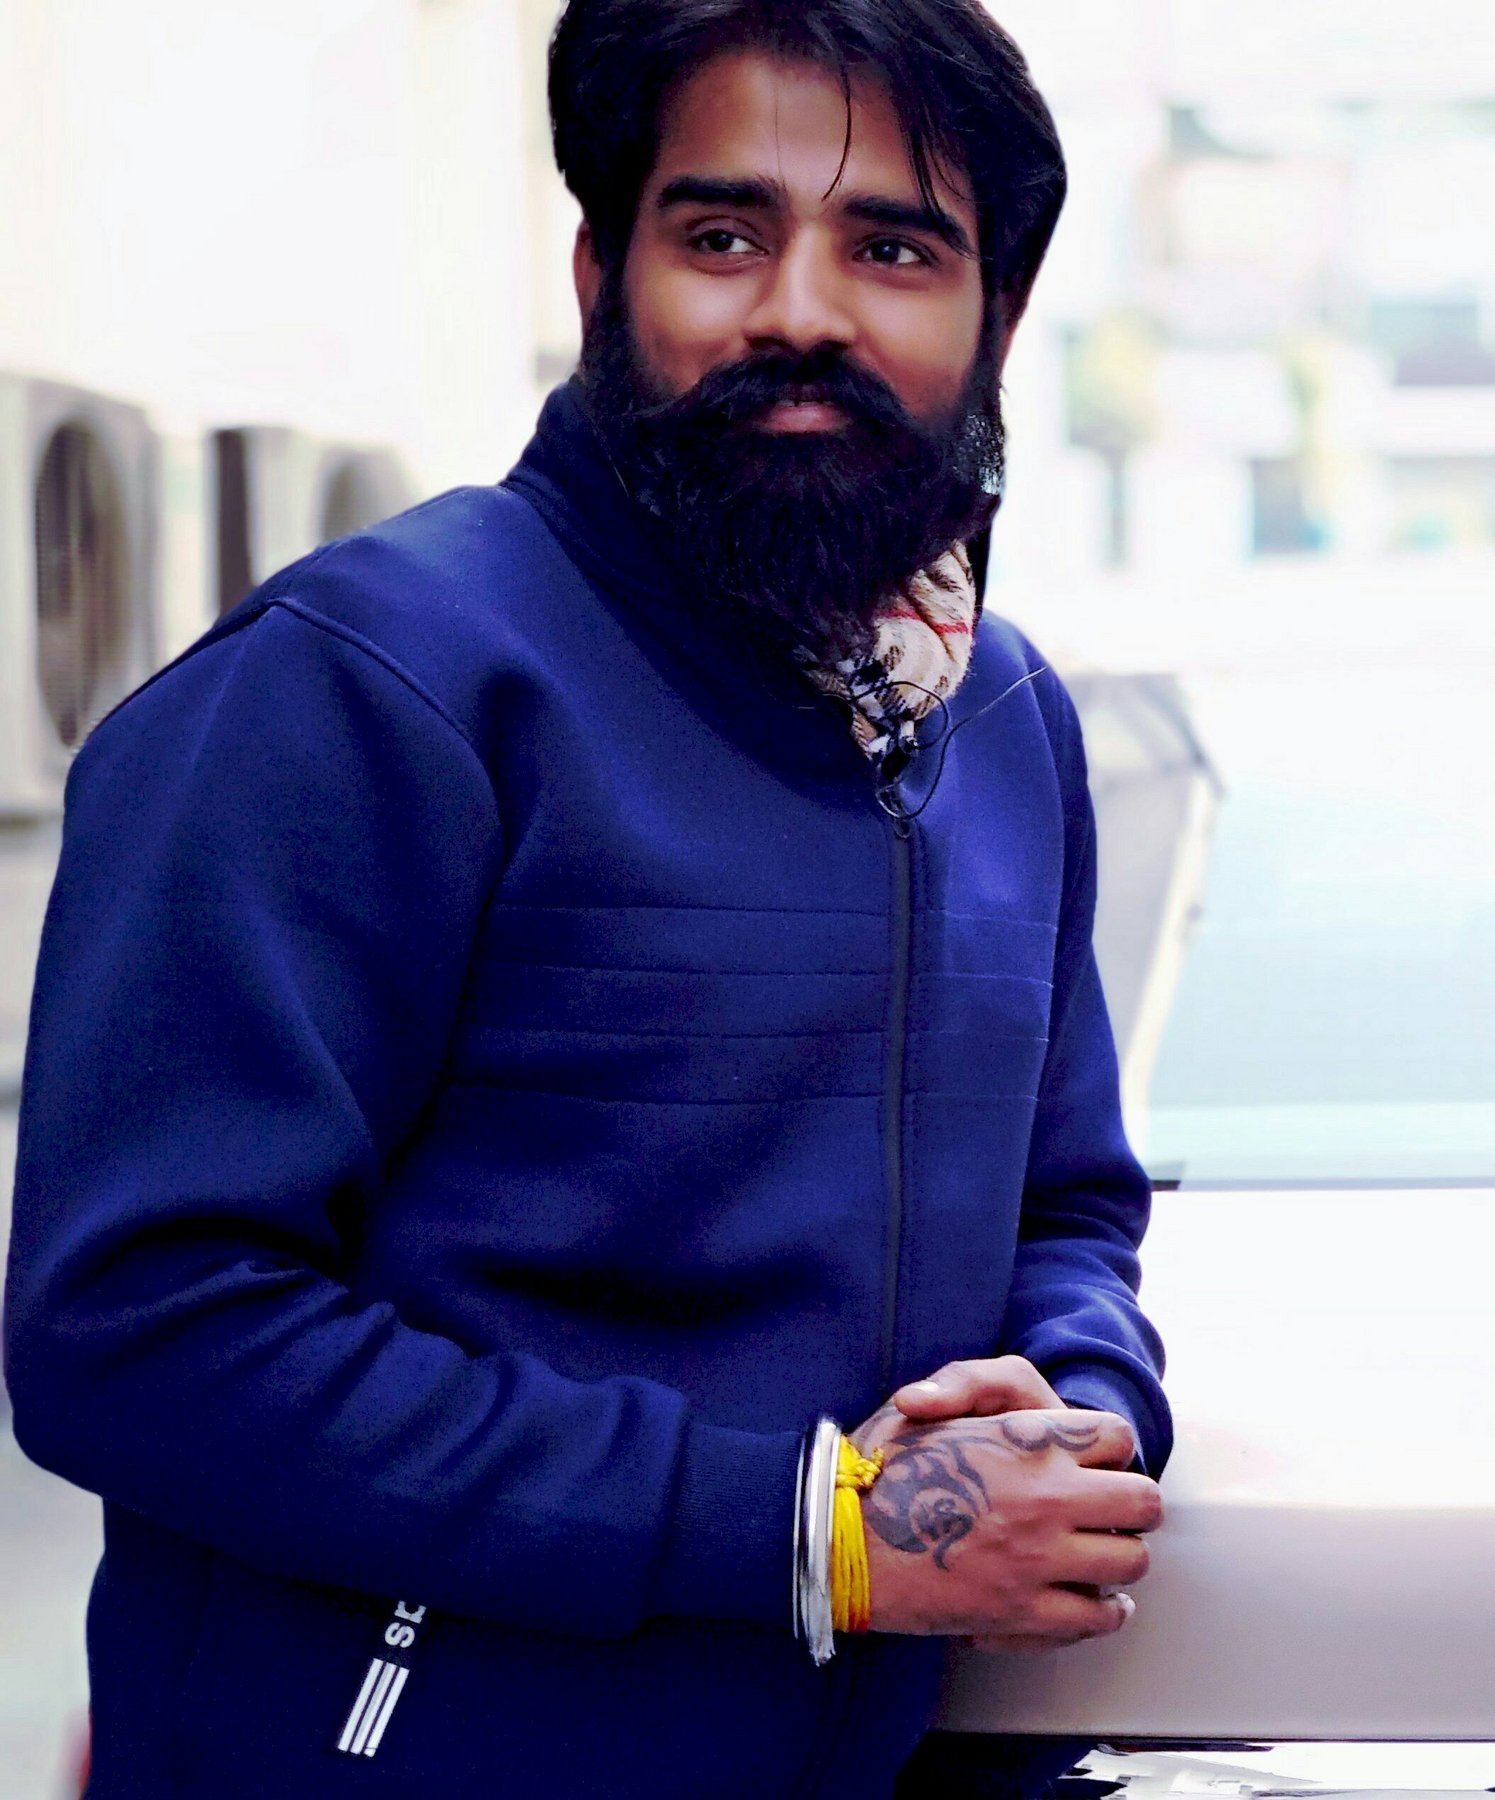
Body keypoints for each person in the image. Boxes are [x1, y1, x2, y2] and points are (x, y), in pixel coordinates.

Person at [3, 1, 1172, 1794]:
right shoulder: (369, 679)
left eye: (893, 249)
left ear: (997, 316)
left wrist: (1078, 1410)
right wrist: (806, 1528)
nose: (801, 310)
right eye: (722, 234)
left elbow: (1068, 1205)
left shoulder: (1002, 717)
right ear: (598, 272)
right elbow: (141, 1329)